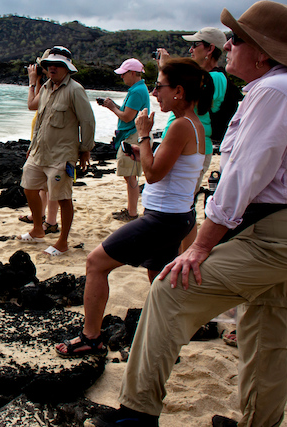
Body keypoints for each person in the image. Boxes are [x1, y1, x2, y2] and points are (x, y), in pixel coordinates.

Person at [88, 2, 287, 426]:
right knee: (271, 322)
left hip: (273, 228)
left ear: (263, 52)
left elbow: (243, 175)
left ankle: (136, 415)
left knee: (170, 290)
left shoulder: (274, 91)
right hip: (284, 226)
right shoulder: (286, 87)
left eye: (236, 40)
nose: (228, 47)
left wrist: (202, 245)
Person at [56, 58, 213, 357]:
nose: (155, 93)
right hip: (176, 217)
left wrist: (143, 134)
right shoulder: (192, 124)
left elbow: (153, 175)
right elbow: (166, 167)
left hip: (164, 220)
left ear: (178, 91)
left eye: (159, 87)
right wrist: (144, 152)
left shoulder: (180, 125)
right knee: (159, 279)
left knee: (95, 263)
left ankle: (91, 337)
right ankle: (171, 334)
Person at [156, 27, 233, 250]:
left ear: (210, 49)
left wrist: (168, 70)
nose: (190, 49)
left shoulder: (216, 78)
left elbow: (190, 99)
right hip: (184, 141)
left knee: (183, 205)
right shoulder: (204, 77)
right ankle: (180, 250)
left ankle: (184, 251)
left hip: (193, 144)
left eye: (195, 45)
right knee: (180, 203)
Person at [17, 45, 95, 256]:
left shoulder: (75, 90)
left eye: (58, 65)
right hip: (39, 152)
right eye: (49, 64)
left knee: (62, 197)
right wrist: (32, 146)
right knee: (29, 186)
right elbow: (39, 118)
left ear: (67, 68)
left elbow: (87, 121)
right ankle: (37, 228)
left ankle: (62, 242)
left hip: (62, 155)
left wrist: (85, 149)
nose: (52, 68)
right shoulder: (45, 88)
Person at [101, 58, 151, 222]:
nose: (122, 77)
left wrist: (112, 107)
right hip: (132, 134)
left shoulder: (137, 91)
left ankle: (132, 212)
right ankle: (131, 210)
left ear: (132, 73)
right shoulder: (138, 89)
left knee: (130, 175)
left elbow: (128, 117)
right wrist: (114, 106)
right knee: (130, 175)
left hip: (132, 135)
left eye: (123, 74)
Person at [19, 49, 61, 235]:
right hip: (40, 138)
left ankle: (50, 222)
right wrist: (36, 81)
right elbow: (36, 102)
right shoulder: (47, 86)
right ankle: (40, 217)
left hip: (52, 144)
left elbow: (31, 104)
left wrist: (31, 81)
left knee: (51, 186)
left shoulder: (56, 86)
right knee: (42, 184)